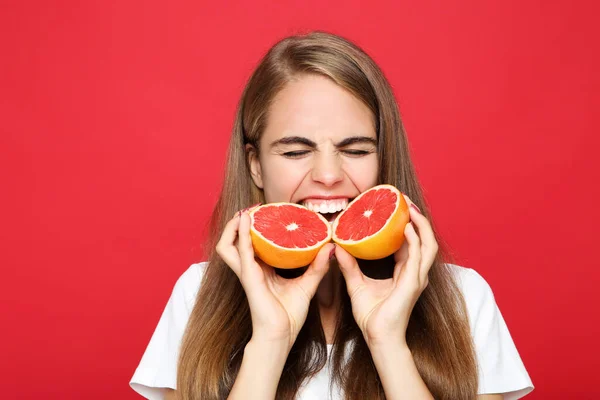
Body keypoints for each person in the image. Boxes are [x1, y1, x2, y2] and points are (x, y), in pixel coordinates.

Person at [130, 31, 534, 400]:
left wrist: (387, 341)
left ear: (384, 158)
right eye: (294, 152)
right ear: (255, 166)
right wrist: (270, 339)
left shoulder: (463, 300)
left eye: (356, 150)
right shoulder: (198, 296)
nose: (328, 176)